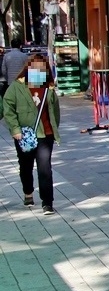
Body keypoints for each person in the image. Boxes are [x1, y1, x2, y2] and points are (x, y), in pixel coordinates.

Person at [3, 53, 61, 215]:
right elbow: (8, 109)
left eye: (41, 69)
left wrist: (53, 128)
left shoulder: (48, 88)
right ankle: (28, 192)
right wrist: (15, 129)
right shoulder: (16, 87)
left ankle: (47, 202)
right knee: (26, 166)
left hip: (45, 135)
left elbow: (55, 111)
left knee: (45, 168)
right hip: (24, 134)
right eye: (34, 68)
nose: (37, 72)